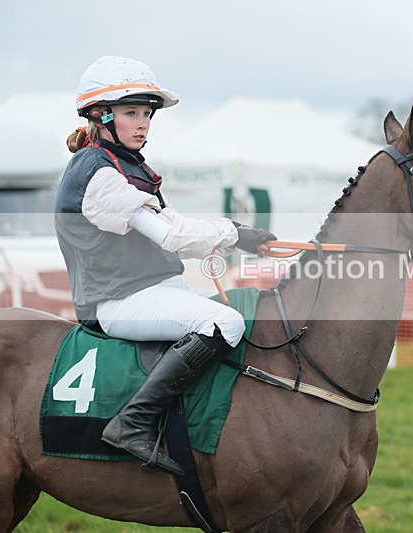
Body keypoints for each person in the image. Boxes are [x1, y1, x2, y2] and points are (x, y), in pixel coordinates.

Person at [55, 56, 275, 475]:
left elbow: (175, 225)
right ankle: (132, 423)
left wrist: (239, 236)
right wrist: (235, 233)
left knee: (243, 313)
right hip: (118, 301)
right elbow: (171, 237)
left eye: (146, 114)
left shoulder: (131, 166)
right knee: (225, 324)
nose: (142, 123)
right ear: (101, 116)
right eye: (131, 112)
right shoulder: (97, 172)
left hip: (156, 291)